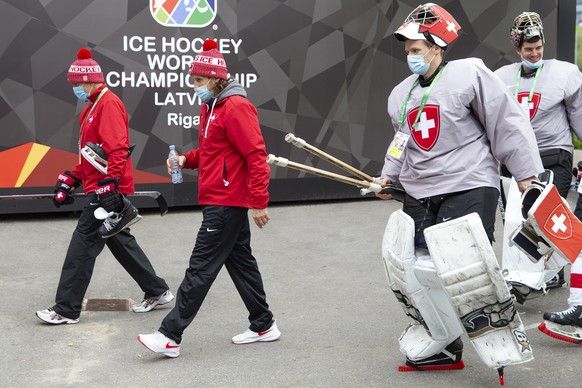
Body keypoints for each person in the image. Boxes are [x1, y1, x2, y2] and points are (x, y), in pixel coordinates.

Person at [376, 3, 543, 370]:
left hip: (468, 182)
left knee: (464, 269)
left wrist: (526, 177)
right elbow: (401, 140)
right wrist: (389, 175)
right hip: (420, 190)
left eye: (416, 50)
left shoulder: (470, 74)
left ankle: (498, 335)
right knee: (417, 270)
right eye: (408, 51)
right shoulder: (401, 94)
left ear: (437, 46)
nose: (410, 57)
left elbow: (506, 123)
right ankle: (445, 341)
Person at [137, 40, 280, 358]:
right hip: (220, 198)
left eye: (198, 81)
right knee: (241, 263)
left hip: (227, 202)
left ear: (216, 78)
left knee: (200, 268)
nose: (195, 87)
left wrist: (259, 201)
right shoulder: (211, 106)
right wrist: (186, 160)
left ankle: (169, 335)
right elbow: (212, 152)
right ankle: (263, 324)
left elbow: (256, 156)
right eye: (193, 81)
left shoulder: (236, 107)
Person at [35, 48, 174, 325]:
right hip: (99, 186)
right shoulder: (90, 109)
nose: (75, 88)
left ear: (89, 80)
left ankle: (66, 308)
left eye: (76, 84)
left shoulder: (108, 104)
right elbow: (90, 155)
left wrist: (110, 185)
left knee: (82, 244)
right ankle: (157, 291)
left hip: (105, 191)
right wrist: (72, 177)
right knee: (117, 238)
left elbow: (118, 148)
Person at [494, 12, 582, 289]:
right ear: (517, 48)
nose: (535, 53)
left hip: (552, 154)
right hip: (514, 161)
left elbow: (579, 115)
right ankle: (541, 271)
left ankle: (534, 276)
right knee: (515, 219)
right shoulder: (499, 77)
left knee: (542, 217)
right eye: (529, 49)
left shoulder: (565, 72)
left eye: (539, 48)